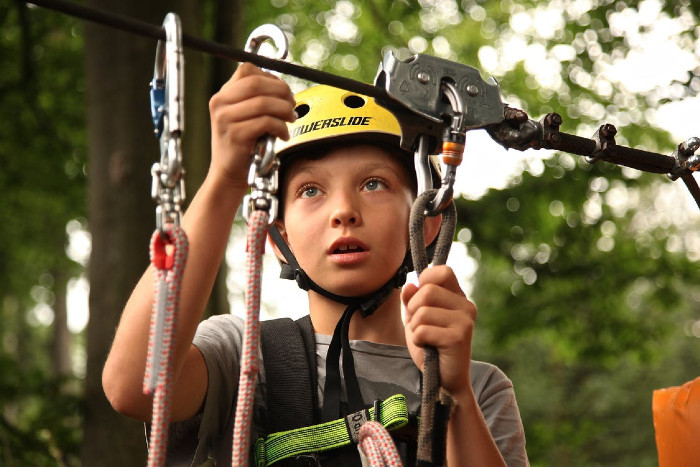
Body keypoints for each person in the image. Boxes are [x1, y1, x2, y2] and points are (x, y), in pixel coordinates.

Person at [102, 62, 529, 466]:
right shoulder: (245, 357)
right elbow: (135, 387)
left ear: (426, 220)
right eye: (310, 190)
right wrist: (225, 178)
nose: (343, 210)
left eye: (373, 183)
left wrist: (452, 393)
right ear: (278, 238)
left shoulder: (481, 389)